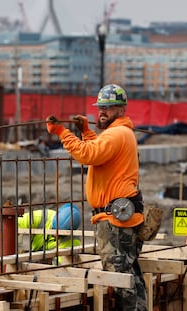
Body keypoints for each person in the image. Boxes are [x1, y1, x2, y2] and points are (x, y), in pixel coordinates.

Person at [45, 84, 147, 310]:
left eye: (108, 108)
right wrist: (86, 132)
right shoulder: (120, 133)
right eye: (100, 107)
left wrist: (62, 132)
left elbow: (87, 154)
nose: (102, 112)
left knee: (121, 281)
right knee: (131, 277)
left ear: (121, 110)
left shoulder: (116, 134)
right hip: (119, 218)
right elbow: (99, 154)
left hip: (114, 223)